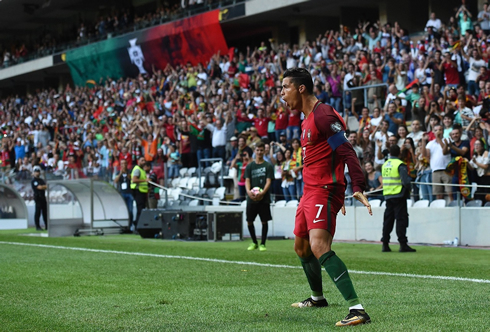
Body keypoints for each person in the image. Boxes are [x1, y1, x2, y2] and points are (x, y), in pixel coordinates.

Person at [281, 68, 372, 327]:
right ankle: (317, 298)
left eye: (285, 87)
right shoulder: (306, 119)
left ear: (300, 88)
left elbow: (346, 151)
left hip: (324, 191)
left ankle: (357, 310)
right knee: (301, 247)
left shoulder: (323, 115)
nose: (281, 94)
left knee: (319, 246)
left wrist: (356, 185)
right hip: (308, 192)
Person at [381, 144, 416, 253]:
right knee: (401, 220)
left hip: (388, 195)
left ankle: (385, 244)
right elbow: (405, 181)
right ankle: (403, 244)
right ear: (399, 153)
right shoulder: (400, 164)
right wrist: (410, 189)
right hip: (399, 195)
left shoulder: (385, 164)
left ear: (390, 153)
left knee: (388, 221)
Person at [244, 142, 274, 251]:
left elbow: (268, 181)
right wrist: (248, 192)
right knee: (249, 221)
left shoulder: (267, 166)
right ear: (254, 151)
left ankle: (263, 243)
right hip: (251, 198)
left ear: (264, 151)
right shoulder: (250, 166)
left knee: (264, 221)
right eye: (257, 150)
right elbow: (247, 180)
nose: (259, 152)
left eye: (261, 150)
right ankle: (254, 242)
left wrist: (263, 193)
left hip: (264, 199)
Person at [130, 157, 149, 233]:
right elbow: (134, 180)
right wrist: (145, 180)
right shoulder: (137, 169)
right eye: (142, 160)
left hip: (142, 191)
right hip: (138, 191)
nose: (144, 162)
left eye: (144, 160)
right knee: (140, 210)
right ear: (138, 161)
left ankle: (138, 224)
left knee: (141, 209)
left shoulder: (142, 170)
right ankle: (138, 226)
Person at [114, 159, 134, 226]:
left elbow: (132, 179)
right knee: (122, 211)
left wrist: (127, 173)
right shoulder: (117, 172)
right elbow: (115, 181)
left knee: (130, 210)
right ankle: (123, 225)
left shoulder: (130, 171)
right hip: (121, 193)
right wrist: (120, 173)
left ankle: (130, 225)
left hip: (129, 193)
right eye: (122, 164)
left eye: (125, 163)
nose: (123, 165)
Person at [31, 166, 48, 231]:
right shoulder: (34, 181)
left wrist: (43, 186)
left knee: (45, 213)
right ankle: (37, 226)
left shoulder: (41, 180)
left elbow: (45, 186)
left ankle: (47, 225)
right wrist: (43, 186)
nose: (37, 173)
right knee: (38, 212)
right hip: (38, 197)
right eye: (36, 172)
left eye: (38, 172)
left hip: (43, 197)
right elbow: (39, 187)